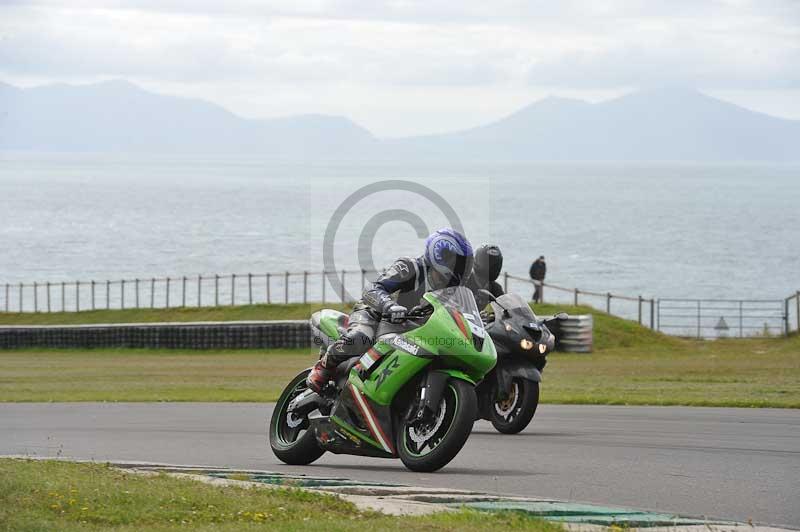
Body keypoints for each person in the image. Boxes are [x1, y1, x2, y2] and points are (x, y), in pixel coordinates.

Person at [307, 228, 474, 392]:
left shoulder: (449, 290)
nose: (462, 268)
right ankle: (323, 367)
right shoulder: (410, 267)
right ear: (440, 255)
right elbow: (372, 290)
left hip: (408, 329)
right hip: (374, 313)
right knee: (361, 338)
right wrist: (389, 305)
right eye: (458, 262)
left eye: (465, 264)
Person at [466, 244, 504, 309]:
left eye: (494, 265)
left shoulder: (496, 288)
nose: (493, 268)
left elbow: (504, 308)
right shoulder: (463, 284)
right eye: (490, 264)